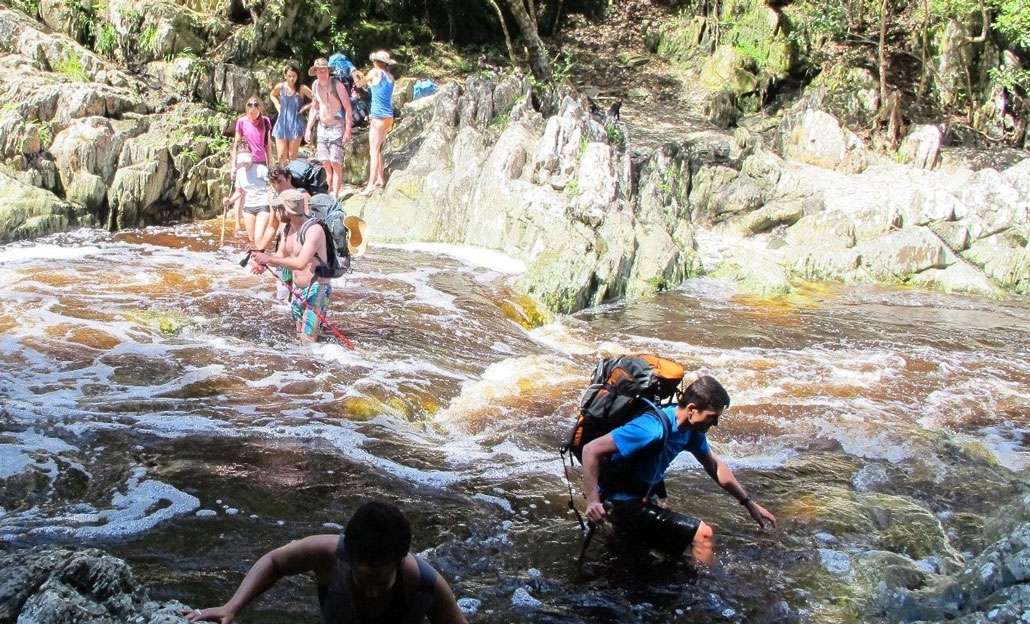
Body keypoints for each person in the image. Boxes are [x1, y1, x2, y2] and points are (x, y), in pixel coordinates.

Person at [582, 375, 777, 566]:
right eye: (712, 417)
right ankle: (706, 592)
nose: (715, 424)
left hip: (642, 500)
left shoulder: (691, 431)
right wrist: (592, 501)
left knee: (661, 560)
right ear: (692, 409)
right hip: (621, 506)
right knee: (703, 535)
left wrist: (749, 504)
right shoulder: (650, 430)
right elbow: (591, 450)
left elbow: (714, 466)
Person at [184, 501, 468, 624]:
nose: (372, 591)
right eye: (363, 580)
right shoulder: (327, 554)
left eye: (381, 584)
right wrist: (231, 607)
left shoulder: (426, 586)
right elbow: (274, 562)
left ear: (399, 562)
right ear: (349, 557)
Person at [250, 189, 332, 342]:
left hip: (316, 290)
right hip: (297, 291)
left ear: (286, 210)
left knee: (308, 339)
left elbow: (301, 263)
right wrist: (264, 262)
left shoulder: (314, 230)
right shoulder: (288, 229)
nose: (276, 213)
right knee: (299, 336)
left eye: (277, 209)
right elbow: (280, 255)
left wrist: (269, 259)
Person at [305, 57, 353, 199]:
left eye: (324, 70)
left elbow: (348, 108)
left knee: (335, 162)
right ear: (316, 72)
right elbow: (314, 107)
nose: (322, 73)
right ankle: (327, 192)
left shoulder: (337, 85)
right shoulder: (315, 86)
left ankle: (335, 196)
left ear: (328, 71)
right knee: (325, 162)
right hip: (322, 127)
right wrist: (308, 128)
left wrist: (348, 129)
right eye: (319, 71)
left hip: (337, 127)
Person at [353, 50, 396, 196]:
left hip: (378, 117)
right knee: (378, 149)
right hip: (389, 117)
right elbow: (375, 87)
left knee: (373, 151)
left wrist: (355, 74)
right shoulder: (390, 77)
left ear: (376, 62)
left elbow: (359, 84)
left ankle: (370, 184)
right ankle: (380, 178)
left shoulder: (374, 72)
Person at [270, 64, 313, 163]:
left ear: (297, 76)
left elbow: (316, 98)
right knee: (281, 156)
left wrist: (306, 106)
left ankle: (292, 177)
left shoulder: (302, 88)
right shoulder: (281, 87)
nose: (292, 78)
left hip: (296, 123)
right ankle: (281, 176)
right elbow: (272, 94)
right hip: (282, 123)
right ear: (285, 76)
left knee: (292, 155)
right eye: (289, 76)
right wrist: (277, 104)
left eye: (294, 76)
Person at [231, 149, 271, 248]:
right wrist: (229, 200)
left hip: (263, 205)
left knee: (258, 237)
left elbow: (273, 184)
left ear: (251, 159)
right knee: (252, 239)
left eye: (246, 162)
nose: (245, 164)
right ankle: (256, 260)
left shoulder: (261, 169)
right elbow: (238, 192)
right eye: (242, 162)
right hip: (248, 207)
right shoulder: (240, 173)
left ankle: (263, 259)